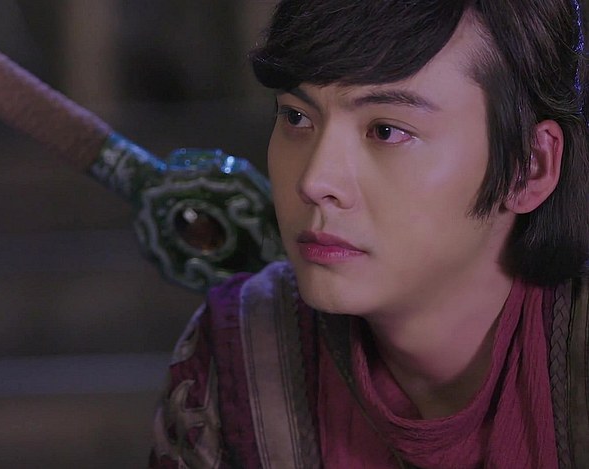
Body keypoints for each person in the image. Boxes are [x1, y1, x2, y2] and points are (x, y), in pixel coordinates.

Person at [149, 0, 589, 467]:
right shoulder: (240, 353)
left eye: (387, 131)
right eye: (297, 117)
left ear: (529, 167)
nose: (315, 181)